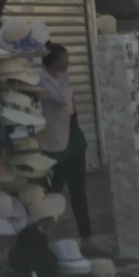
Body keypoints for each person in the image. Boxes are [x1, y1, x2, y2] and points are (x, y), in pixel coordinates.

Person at [39, 43, 92, 240]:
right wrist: (62, 78)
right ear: (52, 60)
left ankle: (87, 236)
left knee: (78, 191)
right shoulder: (42, 80)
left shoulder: (61, 79)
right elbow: (61, 100)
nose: (67, 62)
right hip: (54, 144)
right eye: (63, 58)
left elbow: (71, 107)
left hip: (72, 138)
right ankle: (44, 233)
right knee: (52, 190)